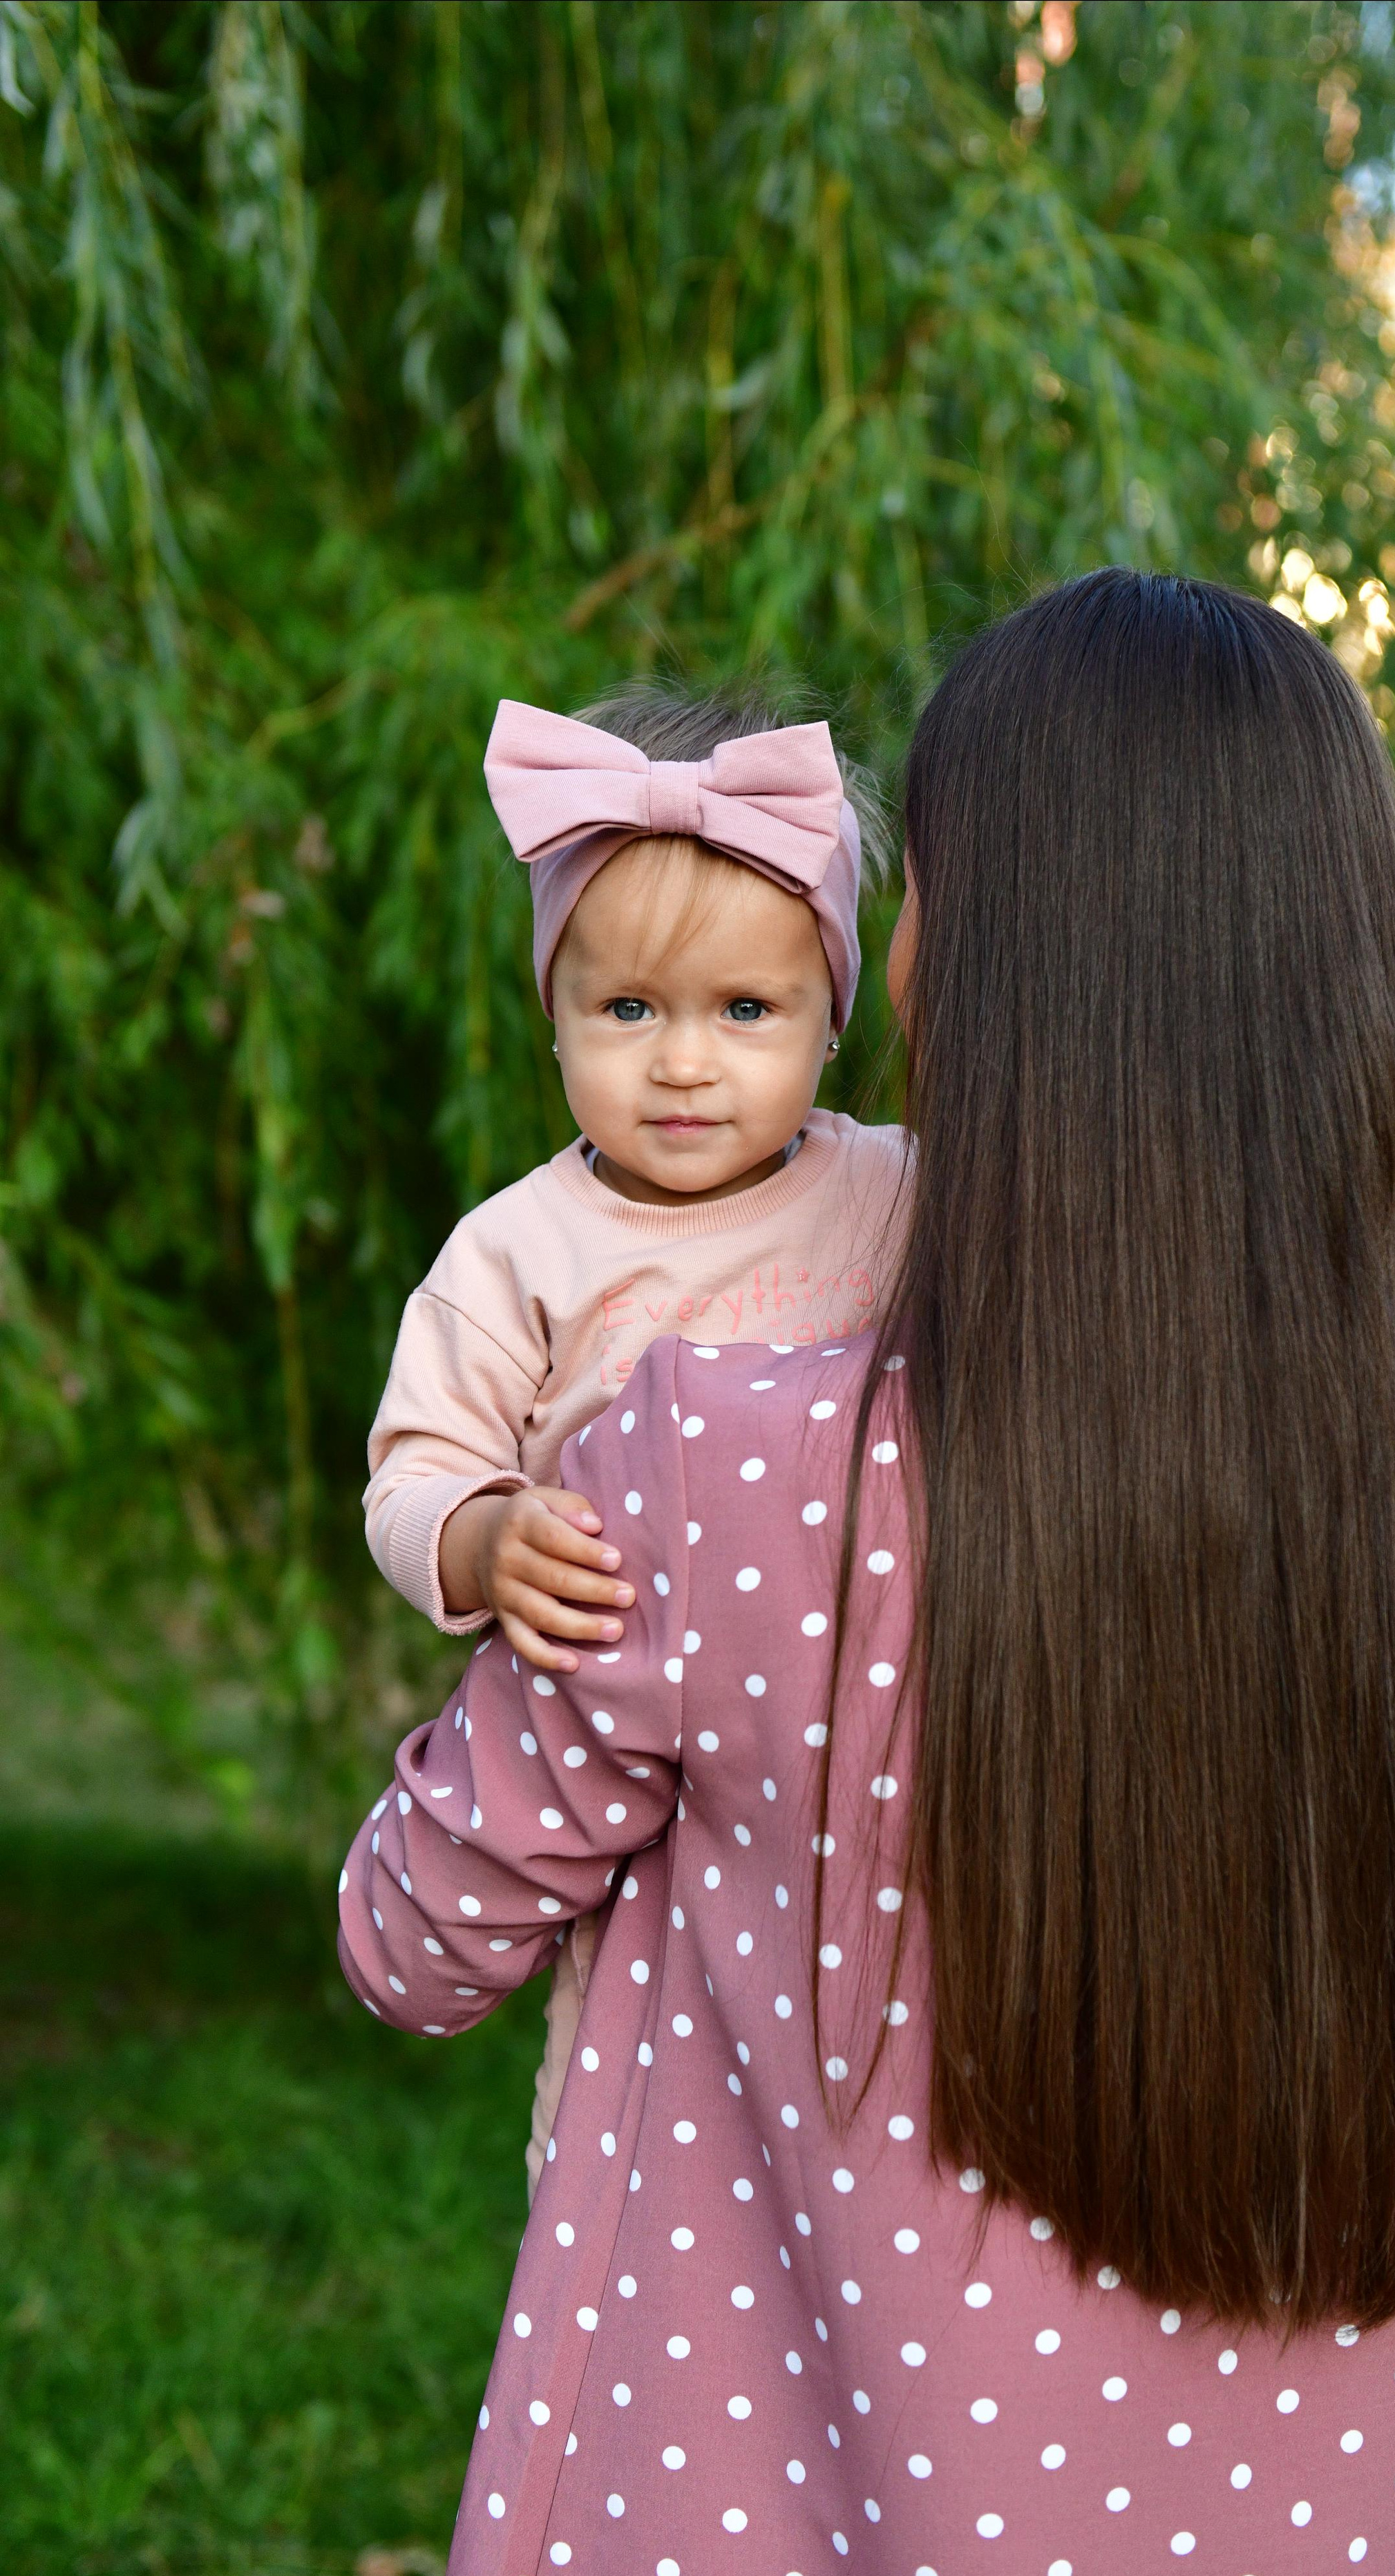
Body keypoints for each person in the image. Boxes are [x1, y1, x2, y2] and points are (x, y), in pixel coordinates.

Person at [338, 571, 1395, 2576]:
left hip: (767, 2559)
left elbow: (412, 1938)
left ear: (1001, 959)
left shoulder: (730, 1468)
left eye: (921, 888)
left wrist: (518, 1516)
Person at [362, 686, 906, 2192]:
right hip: (626, 1758)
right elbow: (411, 1471)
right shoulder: (518, 1252)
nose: (683, 1065)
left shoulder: (897, 1198)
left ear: (829, 1017)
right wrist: (481, 1536)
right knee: (634, 2084)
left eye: (745, 1012)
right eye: (628, 1012)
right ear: (553, 1015)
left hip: (872, 1742)